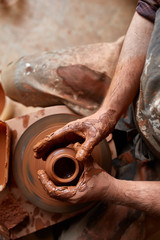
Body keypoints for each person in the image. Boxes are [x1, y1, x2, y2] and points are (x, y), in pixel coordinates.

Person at [33, 0, 160, 216]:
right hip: (136, 77)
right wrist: (107, 113)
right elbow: (150, 9)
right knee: (15, 79)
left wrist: (112, 189)